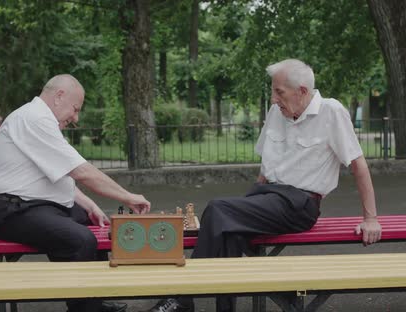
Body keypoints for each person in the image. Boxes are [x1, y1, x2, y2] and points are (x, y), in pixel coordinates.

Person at [143, 59, 382, 312]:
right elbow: (265, 169)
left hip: (299, 204)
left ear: (301, 91)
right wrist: (245, 205)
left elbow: (359, 165)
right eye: (273, 90)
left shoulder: (331, 112)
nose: (273, 99)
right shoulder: (276, 113)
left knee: (217, 209)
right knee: (229, 232)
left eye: (279, 92)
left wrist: (371, 218)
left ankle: (181, 298)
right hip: (267, 196)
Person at [0, 74, 151, 312]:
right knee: (81, 240)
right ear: (59, 96)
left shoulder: (40, 119)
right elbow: (81, 171)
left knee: (97, 226)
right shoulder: (33, 118)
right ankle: (83, 307)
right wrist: (128, 197)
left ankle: (94, 298)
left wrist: (90, 205)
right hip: (9, 211)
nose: (76, 118)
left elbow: (60, 176)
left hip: (32, 205)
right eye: (75, 109)